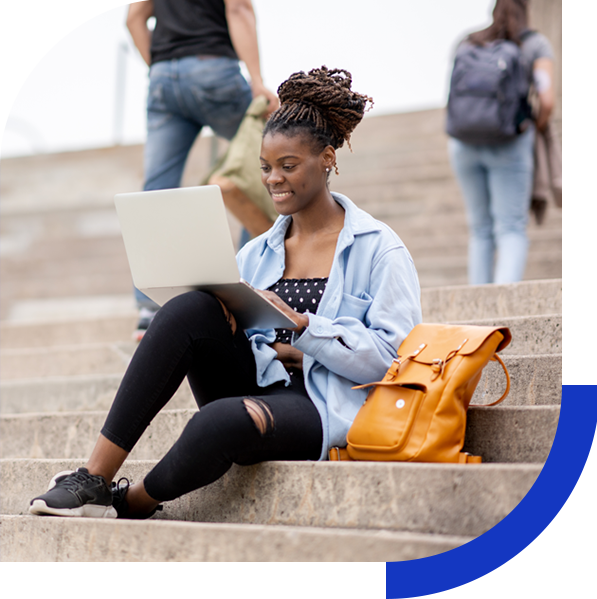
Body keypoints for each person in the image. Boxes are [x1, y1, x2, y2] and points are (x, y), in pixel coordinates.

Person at [29, 66, 422, 520]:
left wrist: (304, 329)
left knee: (220, 422)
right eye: (266, 168)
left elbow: (396, 360)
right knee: (190, 307)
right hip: (256, 381)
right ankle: (93, 479)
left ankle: (132, 501)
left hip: (325, 407)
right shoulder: (257, 253)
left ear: (328, 159)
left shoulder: (380, 249)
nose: (273, 179)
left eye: (288, 166)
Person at [126, 0, 279, 339]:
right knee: (263, 169)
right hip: (214, 69)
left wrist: (165, 69)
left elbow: (135, 18)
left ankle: (149, 307)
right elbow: (238, 7)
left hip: (163, 75)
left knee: (155, 191)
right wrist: (256, 80)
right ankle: (246, 288)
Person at [447, 0, 556, 285]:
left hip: (463, 144)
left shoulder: (468, 42)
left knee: (480, 229)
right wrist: (534, 126)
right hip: (510, 143)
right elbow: (547, 100)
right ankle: (505, 299)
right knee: (511, 227)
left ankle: (478, 299)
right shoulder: (535, 44)